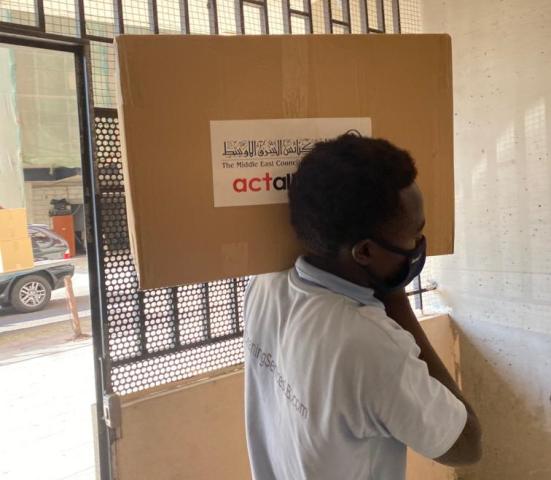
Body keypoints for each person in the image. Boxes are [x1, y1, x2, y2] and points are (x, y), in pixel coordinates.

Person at [243, 133, 482, 480]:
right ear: (365, 252)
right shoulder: (371, 344)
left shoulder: (264, 285)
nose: (417, 244)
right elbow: (466, 444)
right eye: (414, 234)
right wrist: (396, 300)